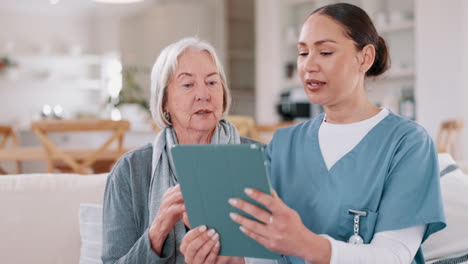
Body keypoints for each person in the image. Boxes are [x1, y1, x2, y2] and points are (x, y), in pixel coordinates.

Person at [181, 3, 446, 264]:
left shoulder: (407, 143)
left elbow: (393, 256)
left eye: (326, 52)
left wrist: (305, 244)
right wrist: (226, 255)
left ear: (365, 57)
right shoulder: (283, 144)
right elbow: (266, 254)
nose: (309, 65)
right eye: (303, 53)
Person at [101, 37, 259, 264]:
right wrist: (157, 231)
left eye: (212, 82)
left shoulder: (259, 159)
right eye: (188, 85)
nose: (203, 94)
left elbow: (290, 255)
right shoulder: (130, 171)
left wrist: (239, 260)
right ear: (164, 100)